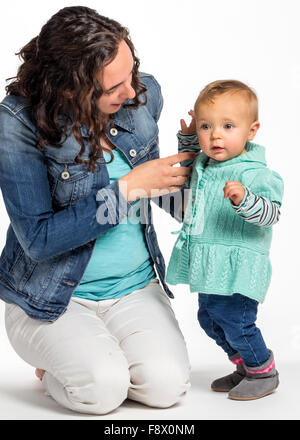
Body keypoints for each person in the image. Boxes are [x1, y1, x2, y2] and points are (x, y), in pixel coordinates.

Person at [0, 6, 194, 415]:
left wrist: (214, 176)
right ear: (70, 89)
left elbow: (160, 188)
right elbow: (38, 240)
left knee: (166, 387)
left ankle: (91, 354)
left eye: (132, 73)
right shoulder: (17, 123)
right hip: (52, 297)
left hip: (134, 286)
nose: (133, 93)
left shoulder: (142, 94)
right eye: (114, 88)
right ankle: (57, 364)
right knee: (103, 391)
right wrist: (126, 190)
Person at [166, 80, 284, 400]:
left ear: (252, 130)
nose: (215, 134)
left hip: (238, 267)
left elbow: (271, 215)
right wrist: (189, 137)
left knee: (236, 320)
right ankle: (245, 366)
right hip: (211, 265)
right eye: (206, 126)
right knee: (208, 318)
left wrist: (244, 199)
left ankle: (263, 370)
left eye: (228, 126)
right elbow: (188, 164)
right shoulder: (206, 164)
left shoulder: (256, 173)